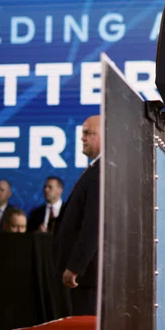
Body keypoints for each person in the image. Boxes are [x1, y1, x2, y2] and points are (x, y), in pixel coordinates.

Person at [53, 115, 102, 315]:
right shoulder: (95, 169)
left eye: (88, 133)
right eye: (82, 132)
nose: (82, 138)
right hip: (86, 276)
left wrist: (76, 266)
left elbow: (93, 225)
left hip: (88, 277)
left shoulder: (102, 172)